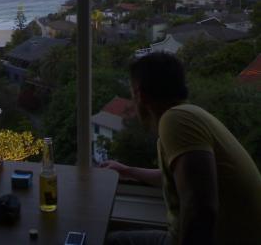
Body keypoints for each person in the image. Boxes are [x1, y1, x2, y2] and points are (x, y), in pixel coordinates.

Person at [103, 52, 261, 245]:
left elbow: (200, 207)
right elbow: (186, 180)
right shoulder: (190, 114)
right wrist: (128, 171)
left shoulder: (176, 120)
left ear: (140, 94)